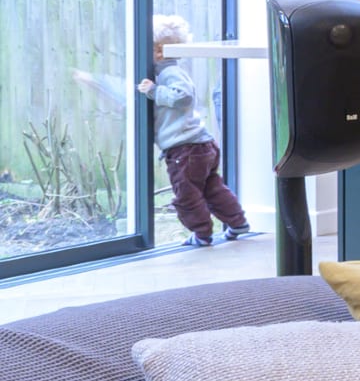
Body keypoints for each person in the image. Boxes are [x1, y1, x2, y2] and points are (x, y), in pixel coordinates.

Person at [75, 15, 253, 248]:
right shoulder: (165, 74)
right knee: (213, 189)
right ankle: (238, 223)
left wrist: (154, 91)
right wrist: (95, 82)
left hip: (185, 150)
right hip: (200, 145)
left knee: (187, 197)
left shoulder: (170, 74)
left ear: (159, 52)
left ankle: (202, 234)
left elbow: (184, 96)